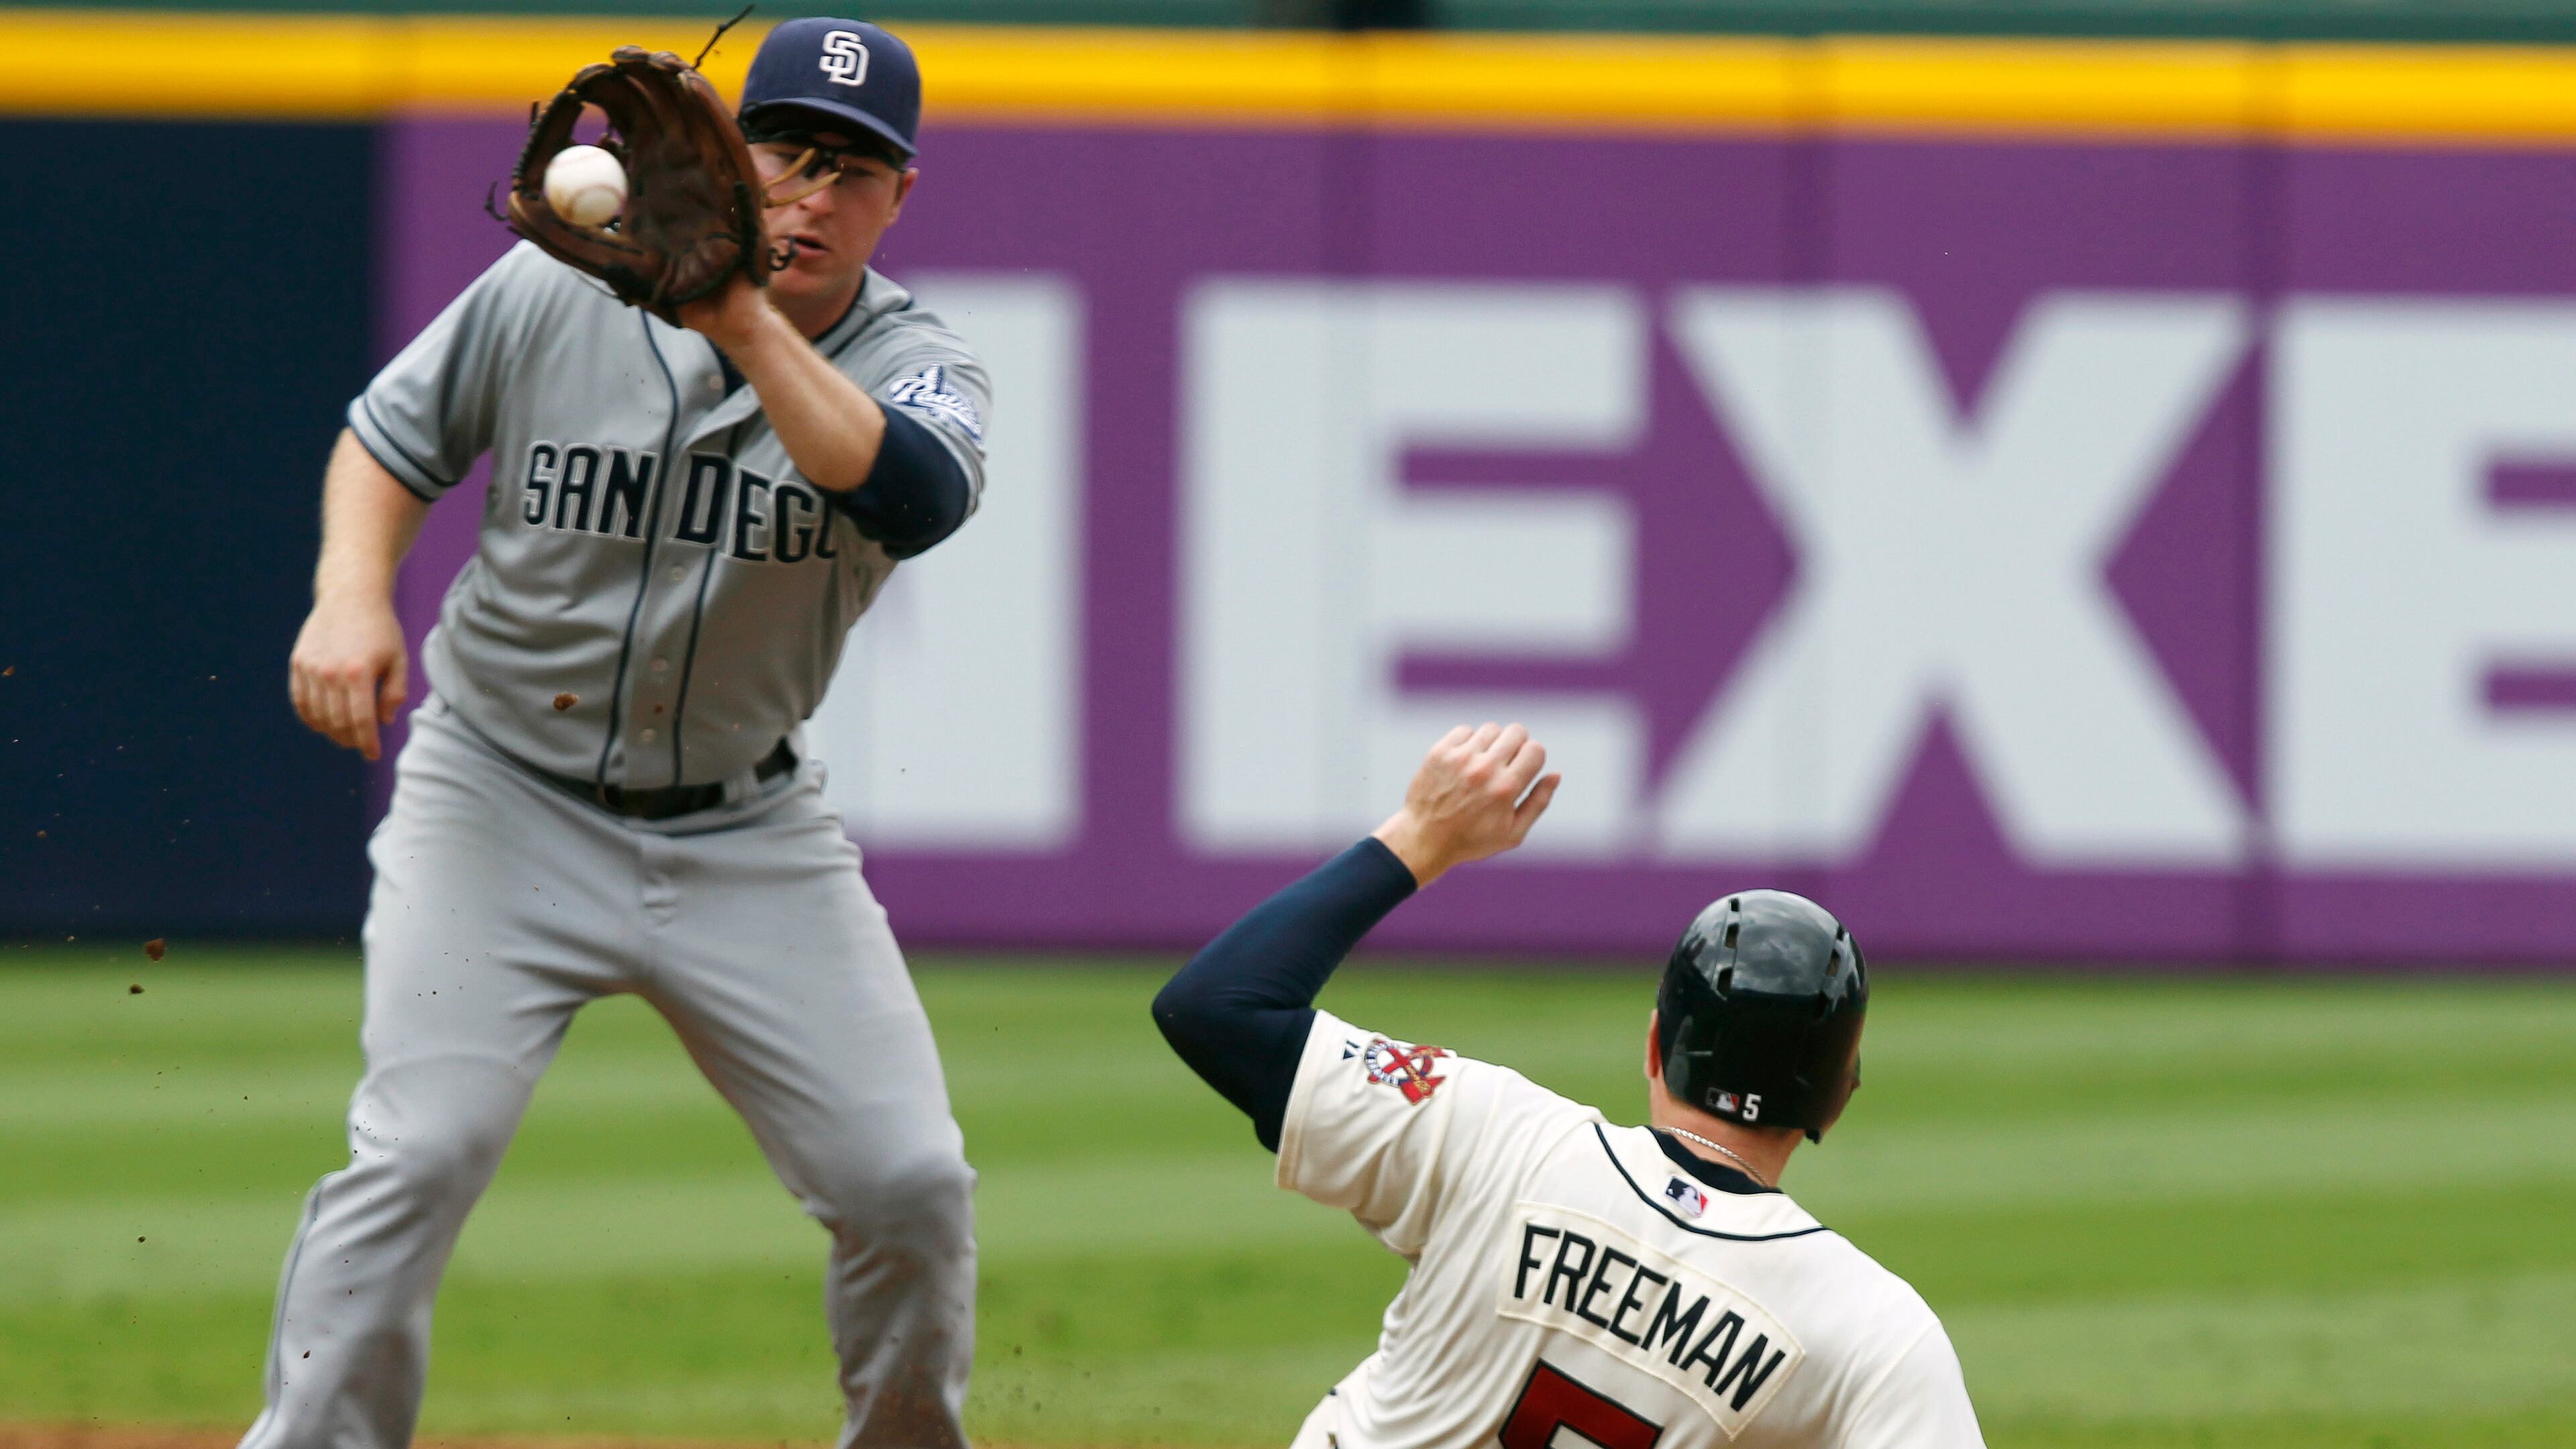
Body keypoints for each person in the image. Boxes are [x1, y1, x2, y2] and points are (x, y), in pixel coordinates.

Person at [260, 19, 982, 1448]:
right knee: (420, 1152)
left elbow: (908, 495)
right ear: (727, 156)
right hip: (499, 799)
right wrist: (350, 597)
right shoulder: (551, 290)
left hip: (746, 832)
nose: (815, 194)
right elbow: (389, 443)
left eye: (858, 169)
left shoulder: (920, 359)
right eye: (786, 151)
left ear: (902, 197)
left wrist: (741, 321)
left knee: (909, 1182)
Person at [1153, 723, 1986, 1449]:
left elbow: (1213, 1008)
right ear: (1836, 1102)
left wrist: (1425, 835)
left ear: (1656, 1043)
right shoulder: (1877, 1334)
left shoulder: (1491, 1133)